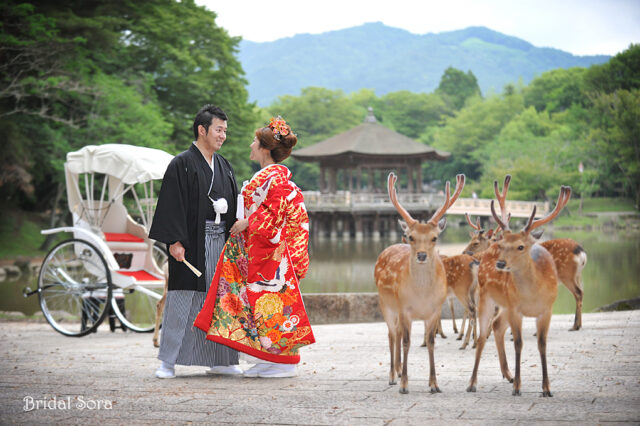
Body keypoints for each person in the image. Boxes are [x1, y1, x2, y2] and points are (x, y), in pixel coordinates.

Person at [194, 116, 315, 378]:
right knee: (261, 306)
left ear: (264, 148)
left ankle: (284, 363)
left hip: (271, 255)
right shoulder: (270, 176)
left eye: (254, 141)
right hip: (263, 252)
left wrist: (247, 222)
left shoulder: (276, 177)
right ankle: (269, 359)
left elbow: (275, 213)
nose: (250, 145)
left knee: (271, 306)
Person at [149, 104, 241, 379]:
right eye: (218, 129)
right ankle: (168, 361)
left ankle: (221, 359)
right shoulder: (182, 163)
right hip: (191, 244)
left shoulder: (224, 166)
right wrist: (174, 241)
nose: (223, 135)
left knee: (221, 300)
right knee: (184, 301)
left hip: (220, 241)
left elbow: (235, 205)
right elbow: (171, 204)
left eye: (225, 131)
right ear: (202, 130)